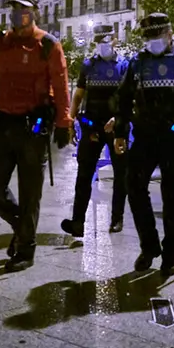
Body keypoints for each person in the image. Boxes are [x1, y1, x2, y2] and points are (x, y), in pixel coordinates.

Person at [0, 0, 72, 272]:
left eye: (23, 9)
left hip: (33, 129)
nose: (18, 14)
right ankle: (21, 225)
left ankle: (25, 249)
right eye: (14, 9)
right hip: (4, 124)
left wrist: (64, 123)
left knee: (30, 192)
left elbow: (62, 88)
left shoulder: (49, 46)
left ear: (34, 12)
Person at [112, 13, 174, 276]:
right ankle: (149, 245)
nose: (154, 41)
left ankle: (171, 253)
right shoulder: (137, 63)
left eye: (158, 35)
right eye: (149, 37)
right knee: (133, 185)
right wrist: (120, 132)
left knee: (173, 196)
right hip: (144, 135)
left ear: (169, 34)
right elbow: (123, 100)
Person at [61, 25, 129, 236]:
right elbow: (78, 96)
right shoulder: (88, 66)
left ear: (114, 41)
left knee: (121, 174)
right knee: (84, 174)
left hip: (116, 127)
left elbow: (128, 99)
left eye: (106, 43)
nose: (103, 47)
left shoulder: (124, 66)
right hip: (91, 125)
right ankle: (78, 222)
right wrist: (70, 121)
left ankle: (116, 219)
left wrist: (118, 119)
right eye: (99, 43)